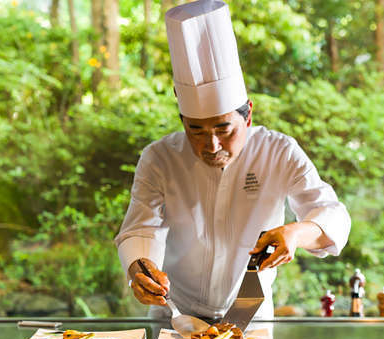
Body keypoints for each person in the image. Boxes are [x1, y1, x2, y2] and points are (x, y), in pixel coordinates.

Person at [115, 0, 351, 322]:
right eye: (195, 130)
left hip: (251, 320)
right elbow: (141, 228)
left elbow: (333, 216)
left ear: (248, 114)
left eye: (224, 128)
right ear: (182, 120)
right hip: (175, 319)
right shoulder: (159, 158)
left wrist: (295, 233)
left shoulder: (278, 152)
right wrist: (139, 270)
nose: (211, 145)